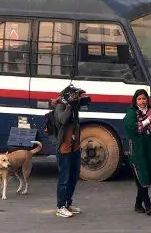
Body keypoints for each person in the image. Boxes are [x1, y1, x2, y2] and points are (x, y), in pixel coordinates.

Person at [47, 85, 88, 218]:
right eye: (74, 95)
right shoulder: (60, 106)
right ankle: (60, 207)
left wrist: (75, 104)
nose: (77, 98)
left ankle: (68, 203)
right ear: (67, 96)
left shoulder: (74, 107)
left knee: (74, 177)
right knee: (64, 179)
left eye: (77, 96)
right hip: (64, 148)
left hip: (74, 147)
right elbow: (62, 120)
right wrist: (69, 105)